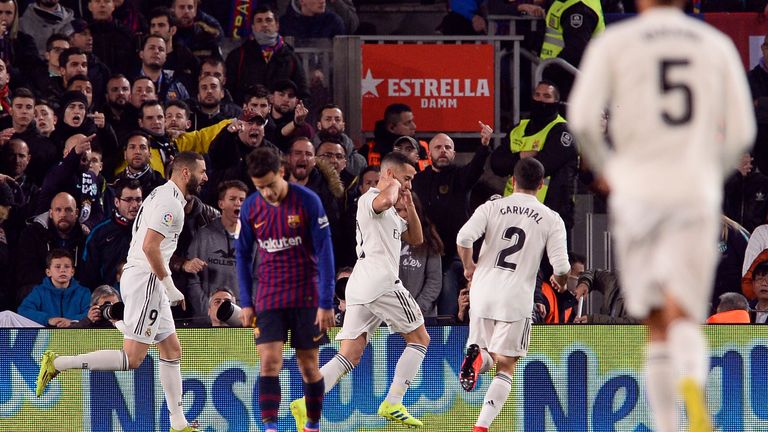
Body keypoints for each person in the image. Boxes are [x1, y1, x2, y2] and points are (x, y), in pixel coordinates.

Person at [567, 0, 757, 430]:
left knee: (655, 322)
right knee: (684, 313)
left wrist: (608, 167)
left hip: (641, 190)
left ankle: (669, 423)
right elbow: (743, 129)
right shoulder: (714, 44)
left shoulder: (616, 42)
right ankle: (692, 389)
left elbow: (580, 119)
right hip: (692, 191)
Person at [34, 151, 208, 432]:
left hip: (141, 277)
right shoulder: (170, 204)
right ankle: (59, 362)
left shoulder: (160, 193)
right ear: (186, 173)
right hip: (147, 280)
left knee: (172, 349)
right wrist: (169, 285)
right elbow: (150, 247)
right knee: (133, 358)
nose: (206, 177)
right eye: (202, 171)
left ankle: (179, 423)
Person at [291, 152, 429, 429]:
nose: (409, 184)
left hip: (363, 284)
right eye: (407, 178)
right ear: (390, 174)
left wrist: (409, 204)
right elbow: (385, 199)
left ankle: (307, 401)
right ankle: (394, 400)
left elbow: (416, 238)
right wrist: (392, 186)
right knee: (419, 339)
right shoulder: (371, 199)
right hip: (380, 281)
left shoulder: (391, 210)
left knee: (350, 353)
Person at [455, 157, 569, 432]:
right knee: (506, 365)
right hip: (516, 298)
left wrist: (469, 266)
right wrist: (560, 281)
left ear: (512, 181)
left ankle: (478, 357)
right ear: (542, 185)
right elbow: (562, 267)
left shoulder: (492, 207)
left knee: (485, 351)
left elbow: (463, 238)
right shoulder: (550, 218)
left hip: (482, 292)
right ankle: (481, 426)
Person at [235, 146, 335, 432]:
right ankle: (271, 428)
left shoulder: (308, 201)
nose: (267, 193)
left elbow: (325, 251)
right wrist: (246, 301)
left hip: (306, 294)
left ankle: (313, 424)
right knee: (269, 362)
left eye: (270, 185)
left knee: (308, 366)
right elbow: (242, 255)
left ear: (282, 171)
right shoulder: (251, 207)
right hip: (269, 295)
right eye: (260, 187)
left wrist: (326, 301)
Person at [413, 127, 491, 318]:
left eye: (448, 147)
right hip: (425, 249)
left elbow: (475, 169)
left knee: (448, 297)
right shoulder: (417, 181)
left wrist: (484, 146)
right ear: (429, 153)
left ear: (454, 153)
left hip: (455, 253)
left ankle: (448, 338)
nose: (443, 150)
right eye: (438, 147)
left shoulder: (460, 176)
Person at [185, 180, 246, 321]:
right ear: (221, 204)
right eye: (232, 199)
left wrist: (245, 311)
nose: (238, 203)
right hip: (207, 319)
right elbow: (192, 279)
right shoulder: (203, 235)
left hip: (242, 320)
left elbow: (258, 279)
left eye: (242, 200)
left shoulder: (253, 240)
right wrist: (205, 310)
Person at [224, 5, 307, 105]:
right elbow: (228, 93)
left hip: (282, 118)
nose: (264, 24)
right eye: (259, 21)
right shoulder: (237, 56)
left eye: (268, 20)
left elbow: (303, 94)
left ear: (277, 25)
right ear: (253, 27)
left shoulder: (291, 57)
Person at [79, 178, 141, 289]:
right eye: (129, 200)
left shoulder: (149, 230)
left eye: (138, 199)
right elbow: (88, 274)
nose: (135, 205)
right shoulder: (99, 233)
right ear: (116, 202)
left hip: (143, 295)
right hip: (110, 299)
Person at [18, 248, 90, 327]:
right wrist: (48, 319)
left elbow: (90, 313)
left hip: (76, 335)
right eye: (57, 267)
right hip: (46, 336)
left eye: (67, 266)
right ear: (48, 272)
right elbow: (23, 310)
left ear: (72, 272)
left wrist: (71, 321)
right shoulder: (39, 291)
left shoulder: (84, 292)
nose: (63, 270)